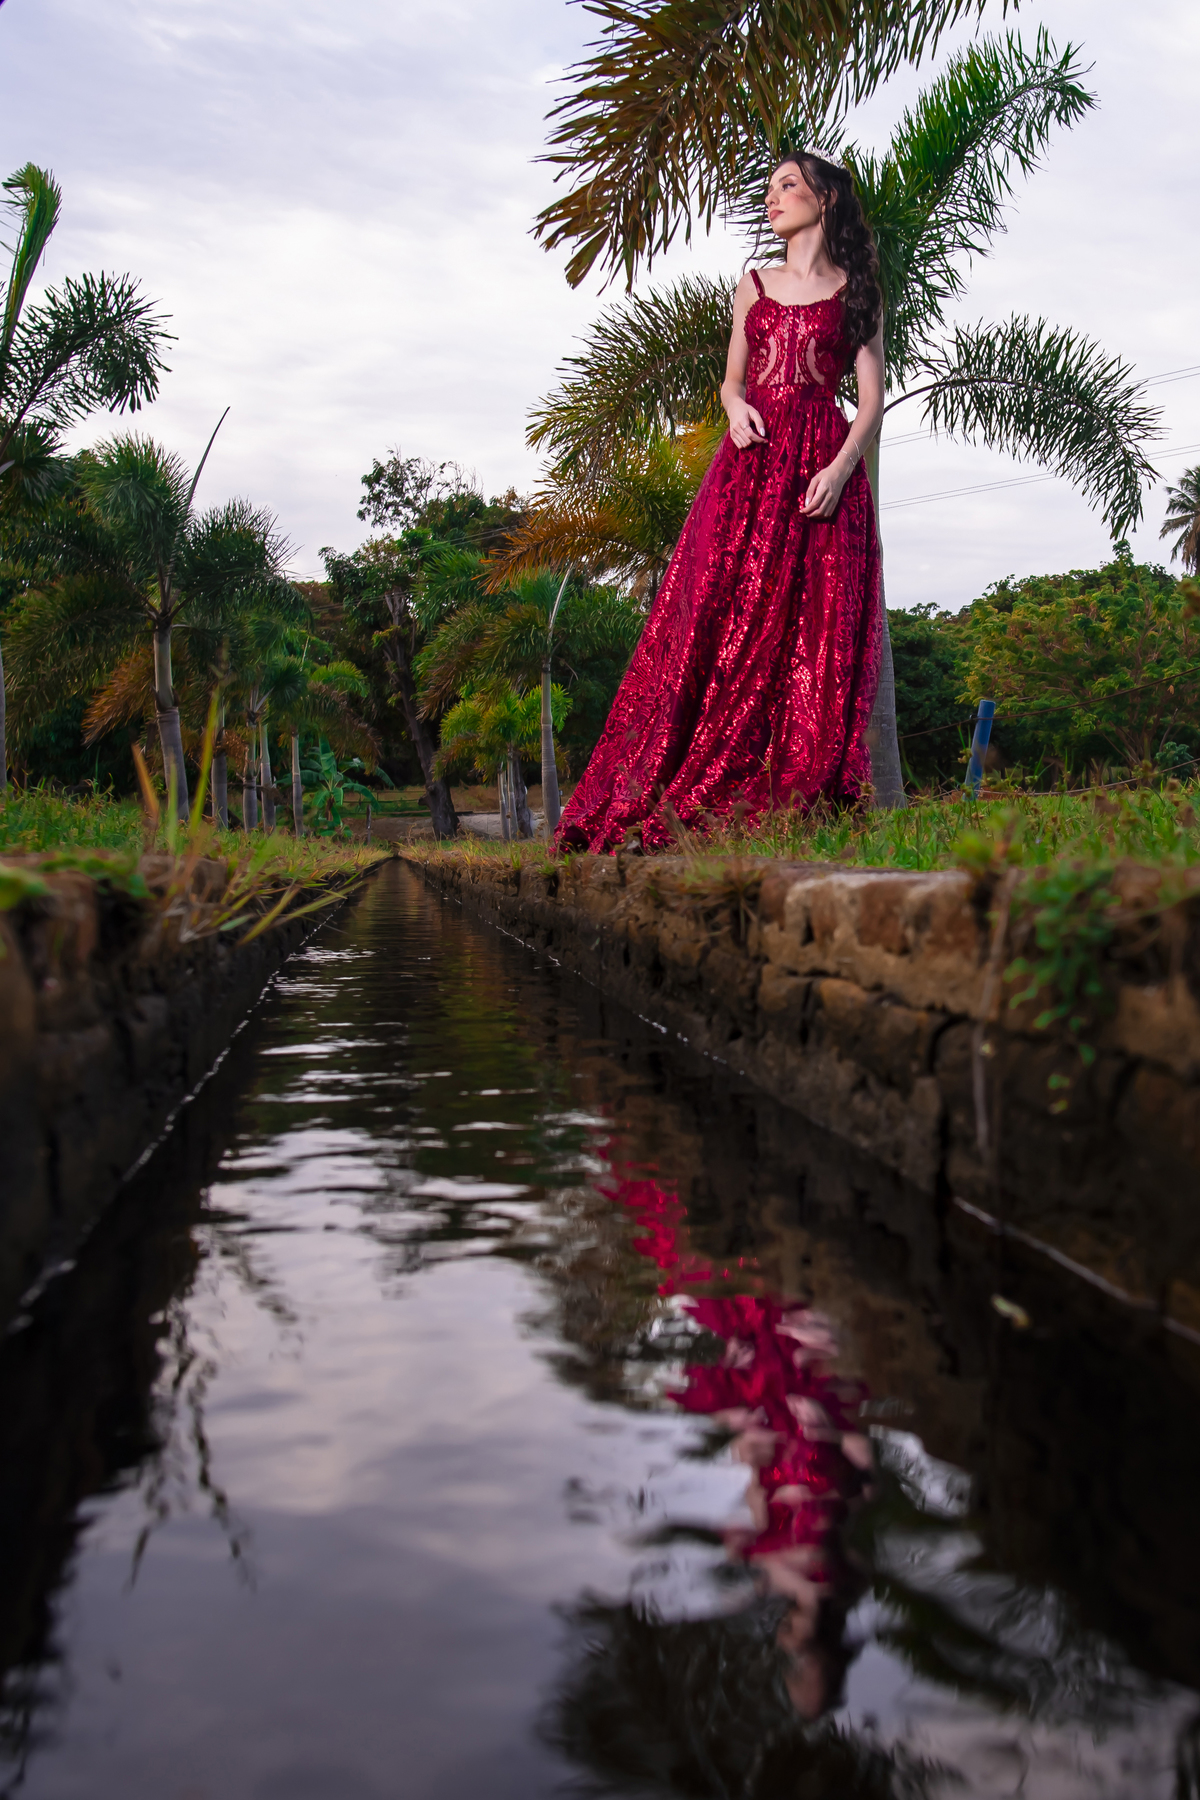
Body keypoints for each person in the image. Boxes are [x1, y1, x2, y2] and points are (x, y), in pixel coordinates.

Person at [557, 151, 886, 854]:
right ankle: (691, 780)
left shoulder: (856, 290)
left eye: (788, 186)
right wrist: (736, 409)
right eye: (769, 188)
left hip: (821, 475)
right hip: (750, 467)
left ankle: (799, 790)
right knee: (721, 612)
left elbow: (870, 401)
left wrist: (838, 468)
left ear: (825, 200)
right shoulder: (753, 284)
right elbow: (731, 383)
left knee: (815, 631)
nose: (773, 198)